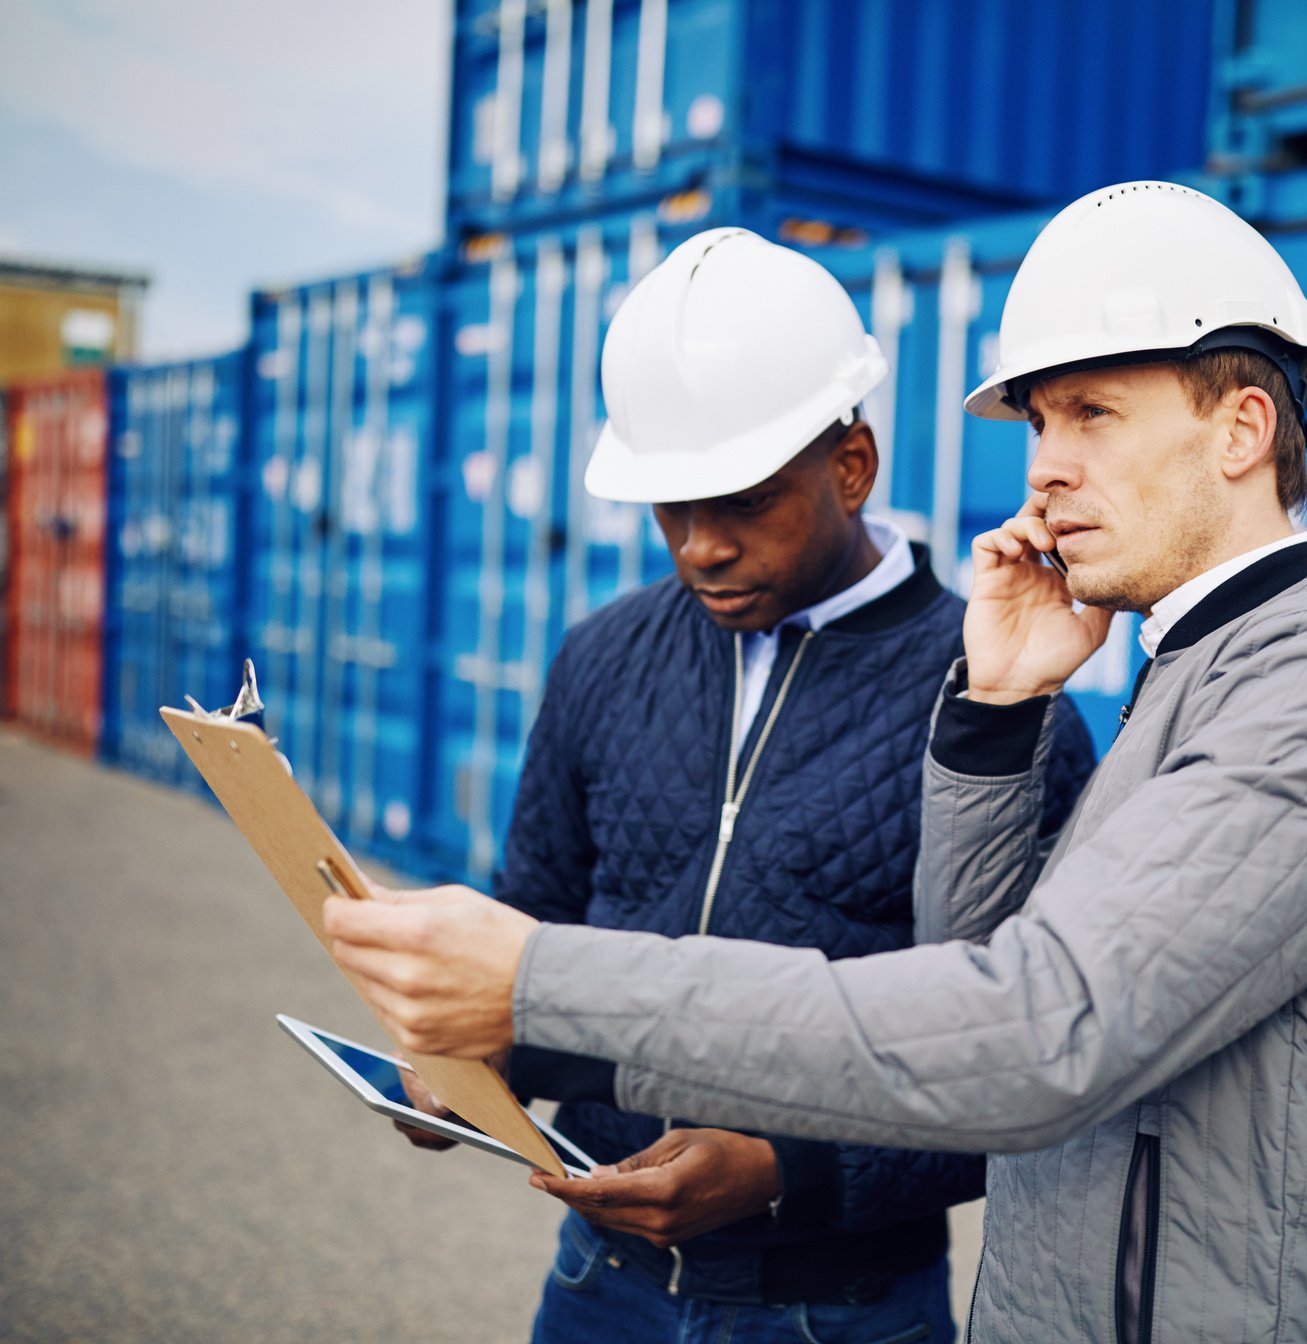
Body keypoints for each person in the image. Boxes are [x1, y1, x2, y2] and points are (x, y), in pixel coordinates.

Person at [330, 182, 1307, 1343]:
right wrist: (994, 712)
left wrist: (541, 985)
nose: (1044, 468)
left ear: (1241, 430)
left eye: (1092, 414)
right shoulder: (1191, 671)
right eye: (1038, 424)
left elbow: (1034, 1034)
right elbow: (976, 976)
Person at [388, 226, 1097, 1343]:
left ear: (850, 466)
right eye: (673, 508)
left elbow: (1030, 1059)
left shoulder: (998, 701)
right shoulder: (601, 658)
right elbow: (537, 924)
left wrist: (788, 1174)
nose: (700, 547)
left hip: (841, 1312)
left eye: (742, 502)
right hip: (597, 1288)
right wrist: (470, 1069)